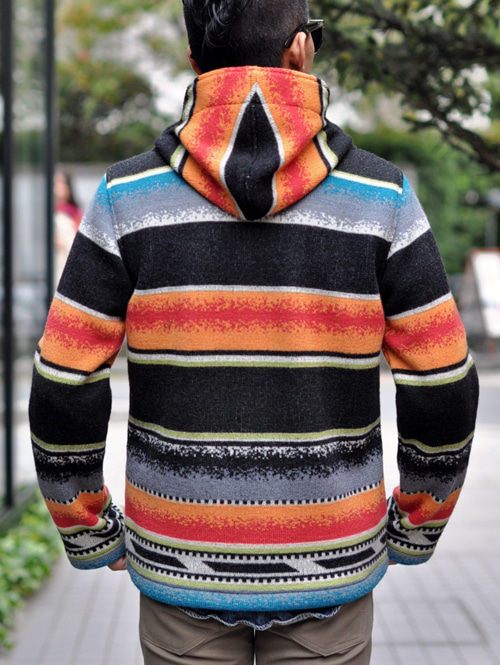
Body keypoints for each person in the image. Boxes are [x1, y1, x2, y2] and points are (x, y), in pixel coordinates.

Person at [29, 1, 479, 663]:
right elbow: (443, 384)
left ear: (194, 61)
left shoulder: (125, 197)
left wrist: (86, 526)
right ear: (300, 50)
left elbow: (63, 380)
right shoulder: (383, 197)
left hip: (181, 566)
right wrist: (418, 522)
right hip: (331, 565)